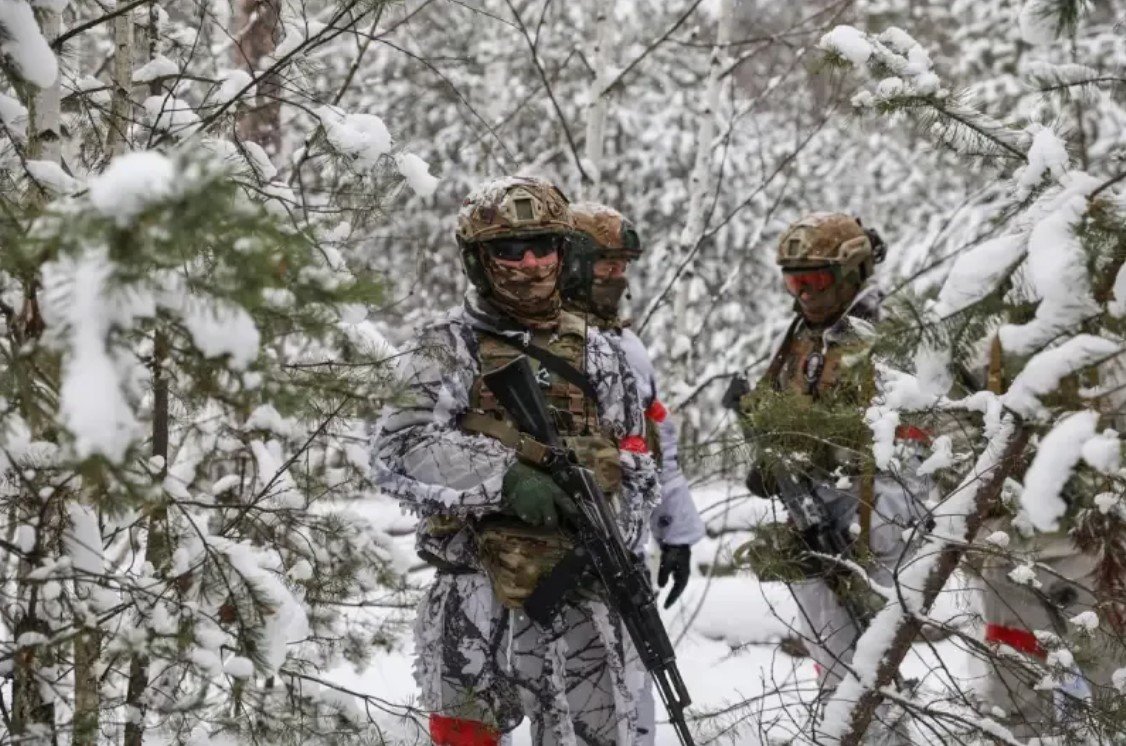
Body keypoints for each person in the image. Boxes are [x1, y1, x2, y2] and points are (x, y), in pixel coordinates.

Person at [373, 176, 659, 746]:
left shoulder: (603, 353)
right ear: (480, 259)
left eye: (542, 247)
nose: (529, 263)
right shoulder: (447, 346)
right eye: (509, 250)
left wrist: (605, 515)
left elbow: (640, 469)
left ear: (563, 251)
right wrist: (506, 476)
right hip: (473, 598)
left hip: (582, 602)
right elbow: (398, 447)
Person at [732, 212, 928, 742]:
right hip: (816, 513)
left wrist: (880, 526)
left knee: (868, 665)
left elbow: (914, 443)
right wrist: (773, 463)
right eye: (793, 281)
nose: (803, 293)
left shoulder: (883, 333)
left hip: (872, 520)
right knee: (836, 663)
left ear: (852, 272)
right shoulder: (807, 335)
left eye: (814, 280)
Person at [560, 201, 706, 745]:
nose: (617, 277)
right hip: (547, 554)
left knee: (631, 695)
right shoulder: (536, 339)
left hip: (620, 555)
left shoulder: (628, 346)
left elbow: (655, 447)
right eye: (605, 263)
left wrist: (676, 533)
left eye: (623, 265)